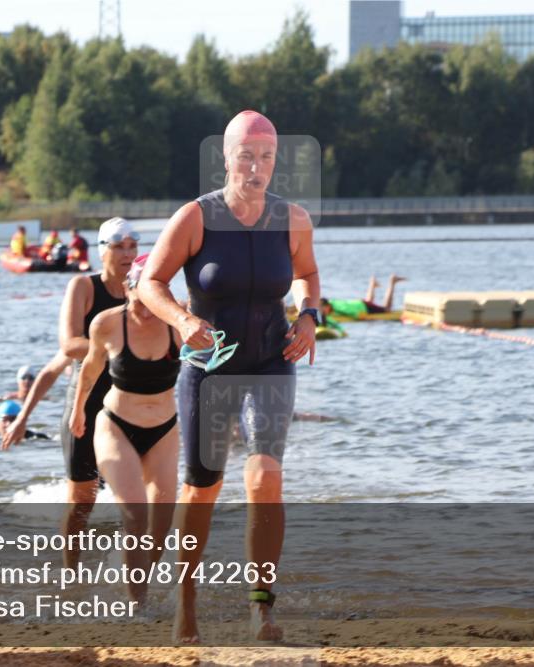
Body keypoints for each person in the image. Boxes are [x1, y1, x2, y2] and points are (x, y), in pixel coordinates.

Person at [138, 110, 320, 643]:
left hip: (270, 361)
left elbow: (308, 276)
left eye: (266, 158)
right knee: (202, 489)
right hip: (208, 369)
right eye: (246, 156)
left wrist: (309, 316)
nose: (256, 168)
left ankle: (262, 608)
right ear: (226, 158)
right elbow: (151, 282)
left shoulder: (292, 219)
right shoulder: (196, 218)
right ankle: (185, 602)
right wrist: (184, 320)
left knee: (266, 480)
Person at [2, 217, 138, 567]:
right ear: (102, 250)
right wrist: (22, 420)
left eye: (133, 246)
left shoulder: (140, 289)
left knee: (138, 496)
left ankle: (132, 572)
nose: (127, 253)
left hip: (127, 409)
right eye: (119, 246)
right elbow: (64, 351)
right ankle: (70, 570)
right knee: (82, 500)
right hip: (85, 410)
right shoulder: (84, 287)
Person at [70, 254, 181, 606]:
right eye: (139, 299)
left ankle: (129, 576)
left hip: (164, 429)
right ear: (127, 289)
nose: (146, 310)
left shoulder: (178, 323)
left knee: (161, 525)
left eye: (154, 300)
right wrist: (77, 411)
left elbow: (213, 359)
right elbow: (89, 370)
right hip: (116, 425)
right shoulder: (106, 324)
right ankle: (138, 606)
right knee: (135, 513)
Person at [320, 274, 407, 323]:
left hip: (363, 308)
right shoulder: (331, 303)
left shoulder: (338, 309)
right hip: (360, 303)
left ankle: (392, 282)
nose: (323, 313)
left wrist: (362, 318)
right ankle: (372, 284)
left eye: (323, 311)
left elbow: (351, 313)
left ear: (327, 306)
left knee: (387, 309)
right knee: (369, 301)